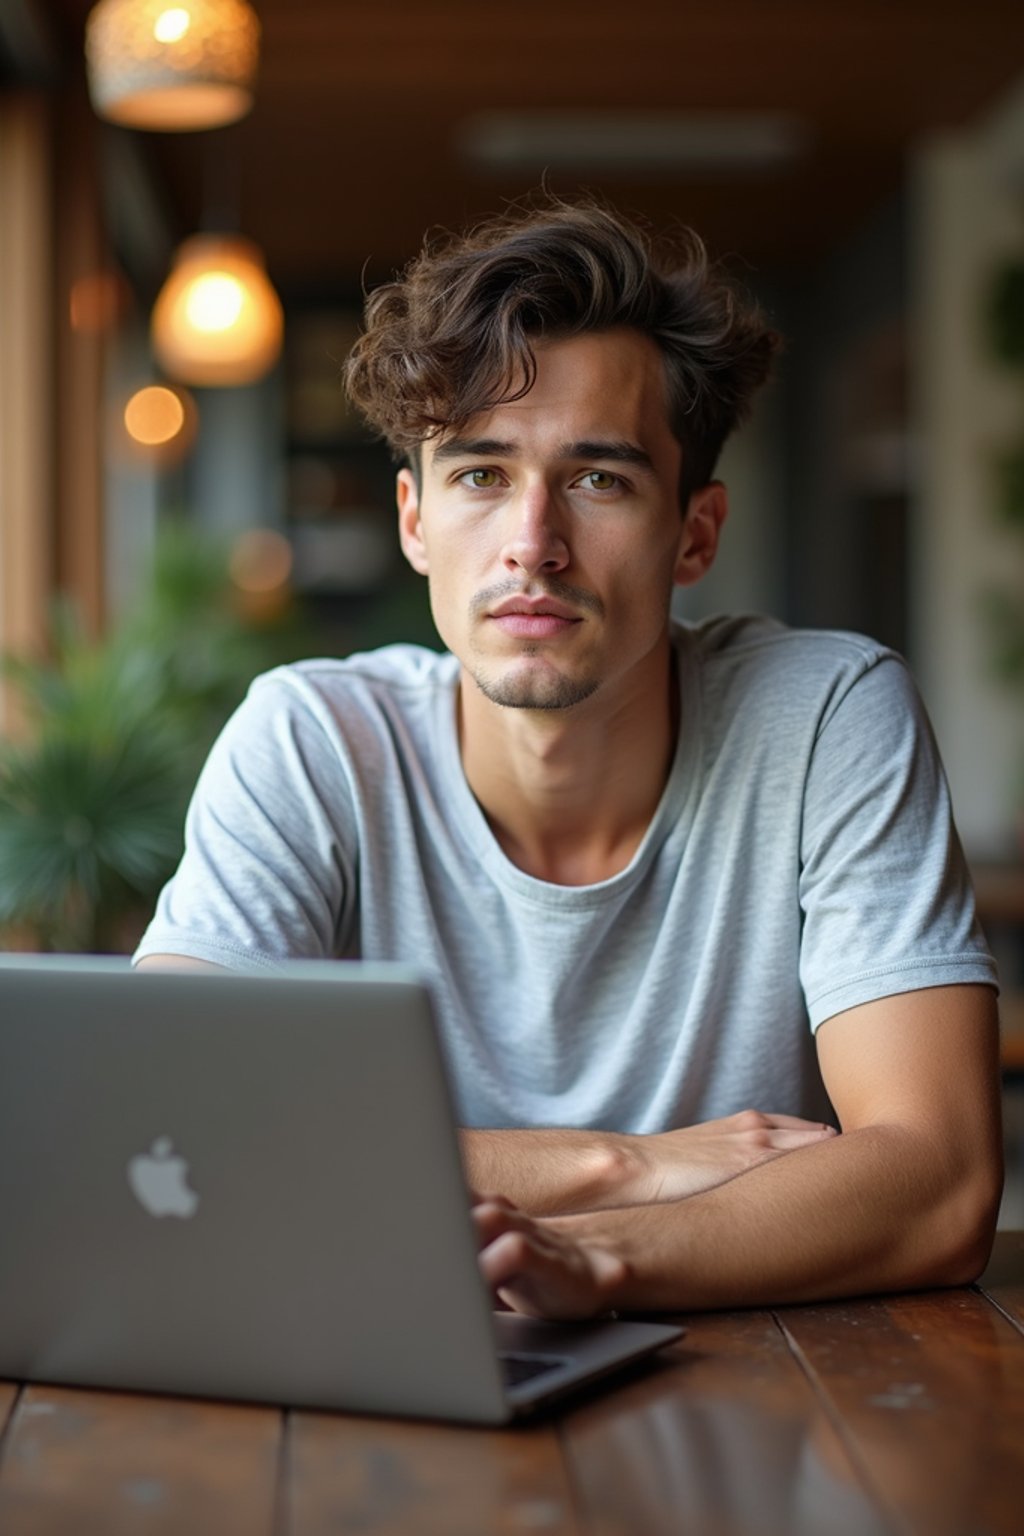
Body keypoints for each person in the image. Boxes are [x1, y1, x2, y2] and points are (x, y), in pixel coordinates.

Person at [135, 197, 1002, 1320]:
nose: (532, 543)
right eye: (481, 475)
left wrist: (598, 1263)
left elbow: (941, 1183)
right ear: (414, 519)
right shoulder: (313, 741)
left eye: (599, 479)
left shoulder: (827, 715)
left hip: (763, 1402)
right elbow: (168, 1131)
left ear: (695, 532)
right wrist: (619, 1166)